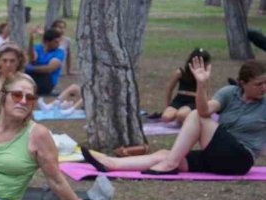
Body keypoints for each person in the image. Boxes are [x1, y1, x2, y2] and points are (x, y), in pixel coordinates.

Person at [82, 58, 266, 176]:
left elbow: (200, 116)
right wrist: (201, 85)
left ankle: (170, 164)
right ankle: (109, 163)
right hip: (217, 155)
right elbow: (205, 111)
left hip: (240, 159)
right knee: (164, 154)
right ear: (243, 83)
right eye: (259, 84)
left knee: (194, 117)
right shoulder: (230, 93)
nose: (264, 88)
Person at [160, 48, 209, 124]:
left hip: (194, 100)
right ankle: (184, 116)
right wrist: (167, 106)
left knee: (181, 115)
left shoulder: (204, 75)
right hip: (179, 99)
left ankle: (192, 117)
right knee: (166, 118)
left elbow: (206, 92)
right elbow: (169, 89)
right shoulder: (180, 72)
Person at [25, 28, 64, 96]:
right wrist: (31, 41)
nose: (58, 44)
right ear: (47, 42)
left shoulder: (59, 52)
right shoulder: (38, 48)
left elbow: (49, 69)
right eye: (55, 42)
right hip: (35, 78)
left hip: (47, 82)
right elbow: (31, 59)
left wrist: (32, 68)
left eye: (58, 42)